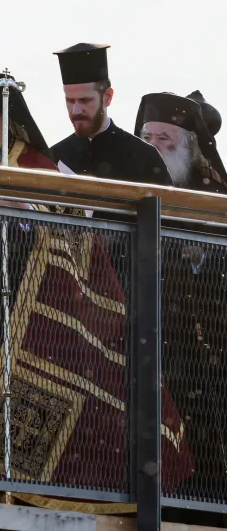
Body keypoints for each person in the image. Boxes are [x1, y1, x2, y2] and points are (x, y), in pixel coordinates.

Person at [0, 69, 193, 513]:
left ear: (6, 123)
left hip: (21, 316)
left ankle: (14, 491)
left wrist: (25, 211)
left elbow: (78, 241)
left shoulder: (40, 168)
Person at [135, 92, 227, 504]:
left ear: (189, 144)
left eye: (164, 139)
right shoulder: (132, 189)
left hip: (211, 347)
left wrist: (200, 257)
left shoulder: (215, 196)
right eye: (146, 137)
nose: (153, 146)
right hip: (157, 342)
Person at [49, 43, 172, 185]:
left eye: (85, 100)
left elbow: (168, 206)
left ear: (107, 97)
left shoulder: (143, 157)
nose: (76, 110)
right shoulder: (55, 157)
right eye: (70, 101)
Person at [135, 92, 227, 193]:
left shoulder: (213, 195)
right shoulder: (125, 180)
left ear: (187, 146)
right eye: (146, 137)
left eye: (162, 138)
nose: (151, 145)